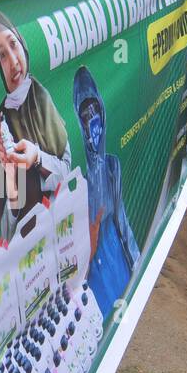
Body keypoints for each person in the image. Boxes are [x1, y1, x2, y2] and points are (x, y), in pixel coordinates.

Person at [0, 2, 72, 239]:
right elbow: (7, 234)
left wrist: (37, 158)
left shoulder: (42, 98)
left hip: (61, 235)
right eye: (1, 55)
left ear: (22, 42)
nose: (13, 62)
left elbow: (67, 174)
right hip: (28, 258)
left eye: (12, 45)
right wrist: (11, 188)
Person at [73, 67, 139, 316]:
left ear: (101, 108)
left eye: (94, 110)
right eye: (84, 114)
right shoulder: (79, 183)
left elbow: (122, 221)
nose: (92, 121)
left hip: (120, 266)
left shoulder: (112, 166)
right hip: (96, 285)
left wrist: (137, 262)